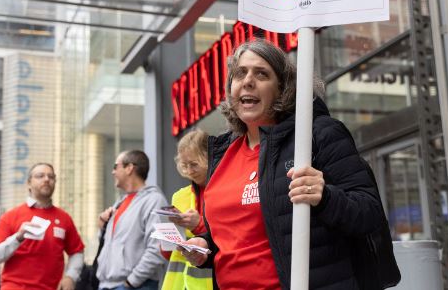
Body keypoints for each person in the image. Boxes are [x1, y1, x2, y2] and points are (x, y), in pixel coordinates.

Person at [183, 39, 389, 289]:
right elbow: (242, 234)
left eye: (261, 73)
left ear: (282, 88)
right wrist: (206, 246)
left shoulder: (317, 135)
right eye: (240, 73)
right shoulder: (222, 152)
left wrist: (325, 197)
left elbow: (369, 214)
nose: (248, 81)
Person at [0, 162, 85, 290]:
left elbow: (77, 252)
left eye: (51, 176)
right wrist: (18, 238)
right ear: (28, 183)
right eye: (40, 176)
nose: (46, 179)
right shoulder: (11, 216)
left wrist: (71, 276)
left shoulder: (64, 218)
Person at [96, 150, 168, 290]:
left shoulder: (154, 200)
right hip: (108, 285)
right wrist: (102, 227)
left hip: (136, 286)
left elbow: (157, 248)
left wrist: (130, 283)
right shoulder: (120, 202)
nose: (113, 172)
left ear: (129, 168)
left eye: (115, 166)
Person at [161, 129, 212, 290]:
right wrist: (166, 241)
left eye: (194, 164)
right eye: (184, 165)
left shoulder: (223, 192)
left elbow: (229, 238)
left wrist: (198, 226)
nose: (189, 171)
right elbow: (169, 254)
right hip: (178, 284)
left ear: (209, 158)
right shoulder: (179, 196)